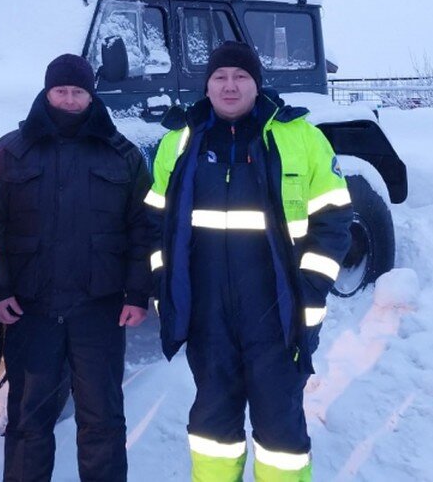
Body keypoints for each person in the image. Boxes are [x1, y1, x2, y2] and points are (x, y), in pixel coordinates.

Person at [147, 41, 352, 482]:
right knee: (212, 429)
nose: (230, 85)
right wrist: (164, 284)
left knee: (280, 434)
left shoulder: (301, 137)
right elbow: (154, 223)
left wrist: (311, 285)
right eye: (220, 77)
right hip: (207, 319)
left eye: (241, 76)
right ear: (207, 86)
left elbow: (336, 218)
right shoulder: (177, 143)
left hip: (277, 317)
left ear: (257, 84)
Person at [0, 54, 154, 482]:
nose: (68, 99)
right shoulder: (10, 152)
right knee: (28, 422)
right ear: (46, 93)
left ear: (90, 95)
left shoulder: (123, 156)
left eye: (77, 91)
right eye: (60, 90)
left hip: (98, 309)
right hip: (31, 309)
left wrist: (137, 293)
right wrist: (0, 289)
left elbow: (142, 229)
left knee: (102, 420)